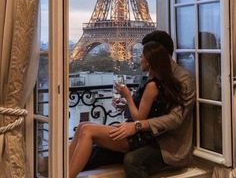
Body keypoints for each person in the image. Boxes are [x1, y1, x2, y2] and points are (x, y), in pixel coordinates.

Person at [69, 40, 184, 178]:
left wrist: (128, 97)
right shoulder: (162, 82)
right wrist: (126, 103)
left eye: (141, 56)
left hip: (138, 136)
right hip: (141, 134)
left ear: (148, 62)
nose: (139, 59)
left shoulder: (152, 86)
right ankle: (62, 170)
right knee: (82, 126)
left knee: (86, 130)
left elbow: (139, 119)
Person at [110, 30, 195, 178]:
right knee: (99, 149)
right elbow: (145, 111)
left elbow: (175, 119)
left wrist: (136, 125)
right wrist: (126, 106)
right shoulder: (152, 75)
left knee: (132, 160)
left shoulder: (183, 79)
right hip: (147, 137)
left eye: (145, 53)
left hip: (168, 144)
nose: (141, 58)